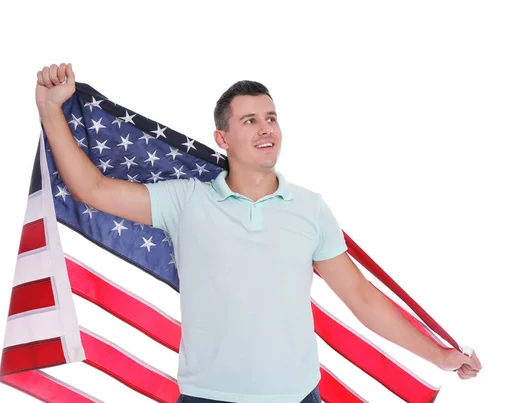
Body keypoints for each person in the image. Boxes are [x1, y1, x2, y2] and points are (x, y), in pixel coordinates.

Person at [35, 63, 482, 403]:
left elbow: (362, 300)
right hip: (208, 397)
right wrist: (51, 110)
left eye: (271, 118)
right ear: (222, 138)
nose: (266, 127)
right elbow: (90, 189)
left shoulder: (310, 208)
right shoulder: (184, 200)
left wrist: (438, 356)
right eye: (249, 120)